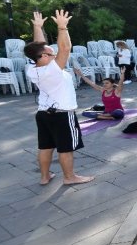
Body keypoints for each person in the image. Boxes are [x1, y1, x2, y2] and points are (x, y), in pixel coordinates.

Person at [24, 10, 94, 185]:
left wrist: (37, 27)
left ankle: (44, 177)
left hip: (43, 114)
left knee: (45, 146)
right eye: (50, 53)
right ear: (43, 57)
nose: (55, 54)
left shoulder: (31, 67)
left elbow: (39, 46)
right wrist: (62, 28)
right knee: (66, 148)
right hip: (62, 114)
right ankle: (70, 177)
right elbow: (65, 48)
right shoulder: (52, 70)